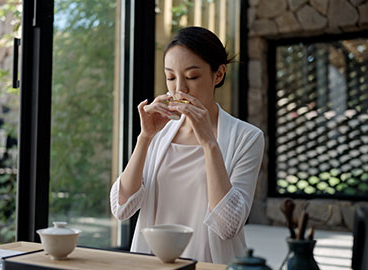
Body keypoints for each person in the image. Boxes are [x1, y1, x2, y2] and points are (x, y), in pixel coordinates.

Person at [110, 26, 264, 264]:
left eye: (192, 77)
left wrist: (209, 143)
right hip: (154, 264)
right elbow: (121, 208)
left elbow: (228, 226)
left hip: (210, 265)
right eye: (170, 77)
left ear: (218, 75)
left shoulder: (247, 137)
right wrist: (145, 137)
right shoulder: (159, 132)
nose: (179, 88)